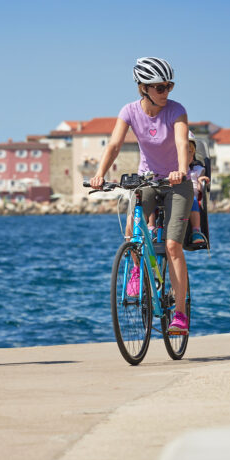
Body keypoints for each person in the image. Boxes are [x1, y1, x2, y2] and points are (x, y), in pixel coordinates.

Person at [89, 57, 194, 334]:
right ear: (143, 88)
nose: (166, 92)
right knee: (131, 231)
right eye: (159, 87)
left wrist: (182, 171)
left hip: (177, 182)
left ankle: (180, 315)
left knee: (172, 246)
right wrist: (100, 174)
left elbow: (182, 142)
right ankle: (136, 268)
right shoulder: (129, 111)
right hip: (147, 178)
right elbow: (114, 144)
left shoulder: (177, 111)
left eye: (169, 86)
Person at [186, 134, 209, 246]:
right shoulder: (171, 169)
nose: (186, 155)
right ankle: (152, 228)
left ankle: (196, 231)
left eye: (190, 152)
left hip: (190, 197)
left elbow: (200, 189)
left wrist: (201, 181)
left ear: (194, 154)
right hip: (173, 195)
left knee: (193, 200)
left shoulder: (197, 170)